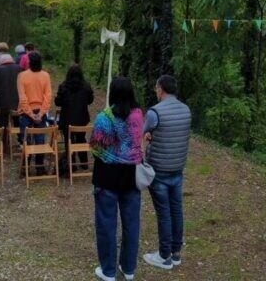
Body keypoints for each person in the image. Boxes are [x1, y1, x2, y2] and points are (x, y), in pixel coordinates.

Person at [89, 77, 144, 281]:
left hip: (107, 177)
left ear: (112, 93)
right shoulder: (138, 115)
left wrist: (111, 154)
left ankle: (108, 271)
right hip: (131, 176)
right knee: (131, 224)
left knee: (106, 224)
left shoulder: (105, 117)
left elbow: (96, 148)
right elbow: (136, 144)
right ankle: (128, 269)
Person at [142, 75, 191, 271]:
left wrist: (148, 140)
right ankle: (176, 252)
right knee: (176, 210)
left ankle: (164, 256)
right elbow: (174, 134)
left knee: (164, 213)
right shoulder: (186, 110)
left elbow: (141, 135)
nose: (155, 91)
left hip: (159, 170)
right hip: (177, 168)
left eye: (156, 88)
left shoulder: (155, 112)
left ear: (161, 89)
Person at [16, 52, 52, 174]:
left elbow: (23, 98)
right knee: (40, 139)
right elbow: (48, 97)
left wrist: (30, 114)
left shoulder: (22, 76)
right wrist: (41, 114)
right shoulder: (45, 76)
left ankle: (25, 167)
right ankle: (39, 167)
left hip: (26, 112)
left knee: (26, 140)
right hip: (39, 111)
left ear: (29, 62)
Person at [54, 64, 94, 168]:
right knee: (81, 138)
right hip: (82, 119)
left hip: (66, 120)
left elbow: (58, 102)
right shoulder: (86, 86)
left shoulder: (63, 86)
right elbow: (90, 100)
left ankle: (71, 164)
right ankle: (84, 163)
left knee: (68, 140)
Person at [0, 54, 21, 147]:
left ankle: (4, 143)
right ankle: (21, 141)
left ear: (2, 62)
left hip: (3, 102)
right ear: (12, 60)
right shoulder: (20, 68)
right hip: (18, 101)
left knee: (3, 123)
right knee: (18, 120)